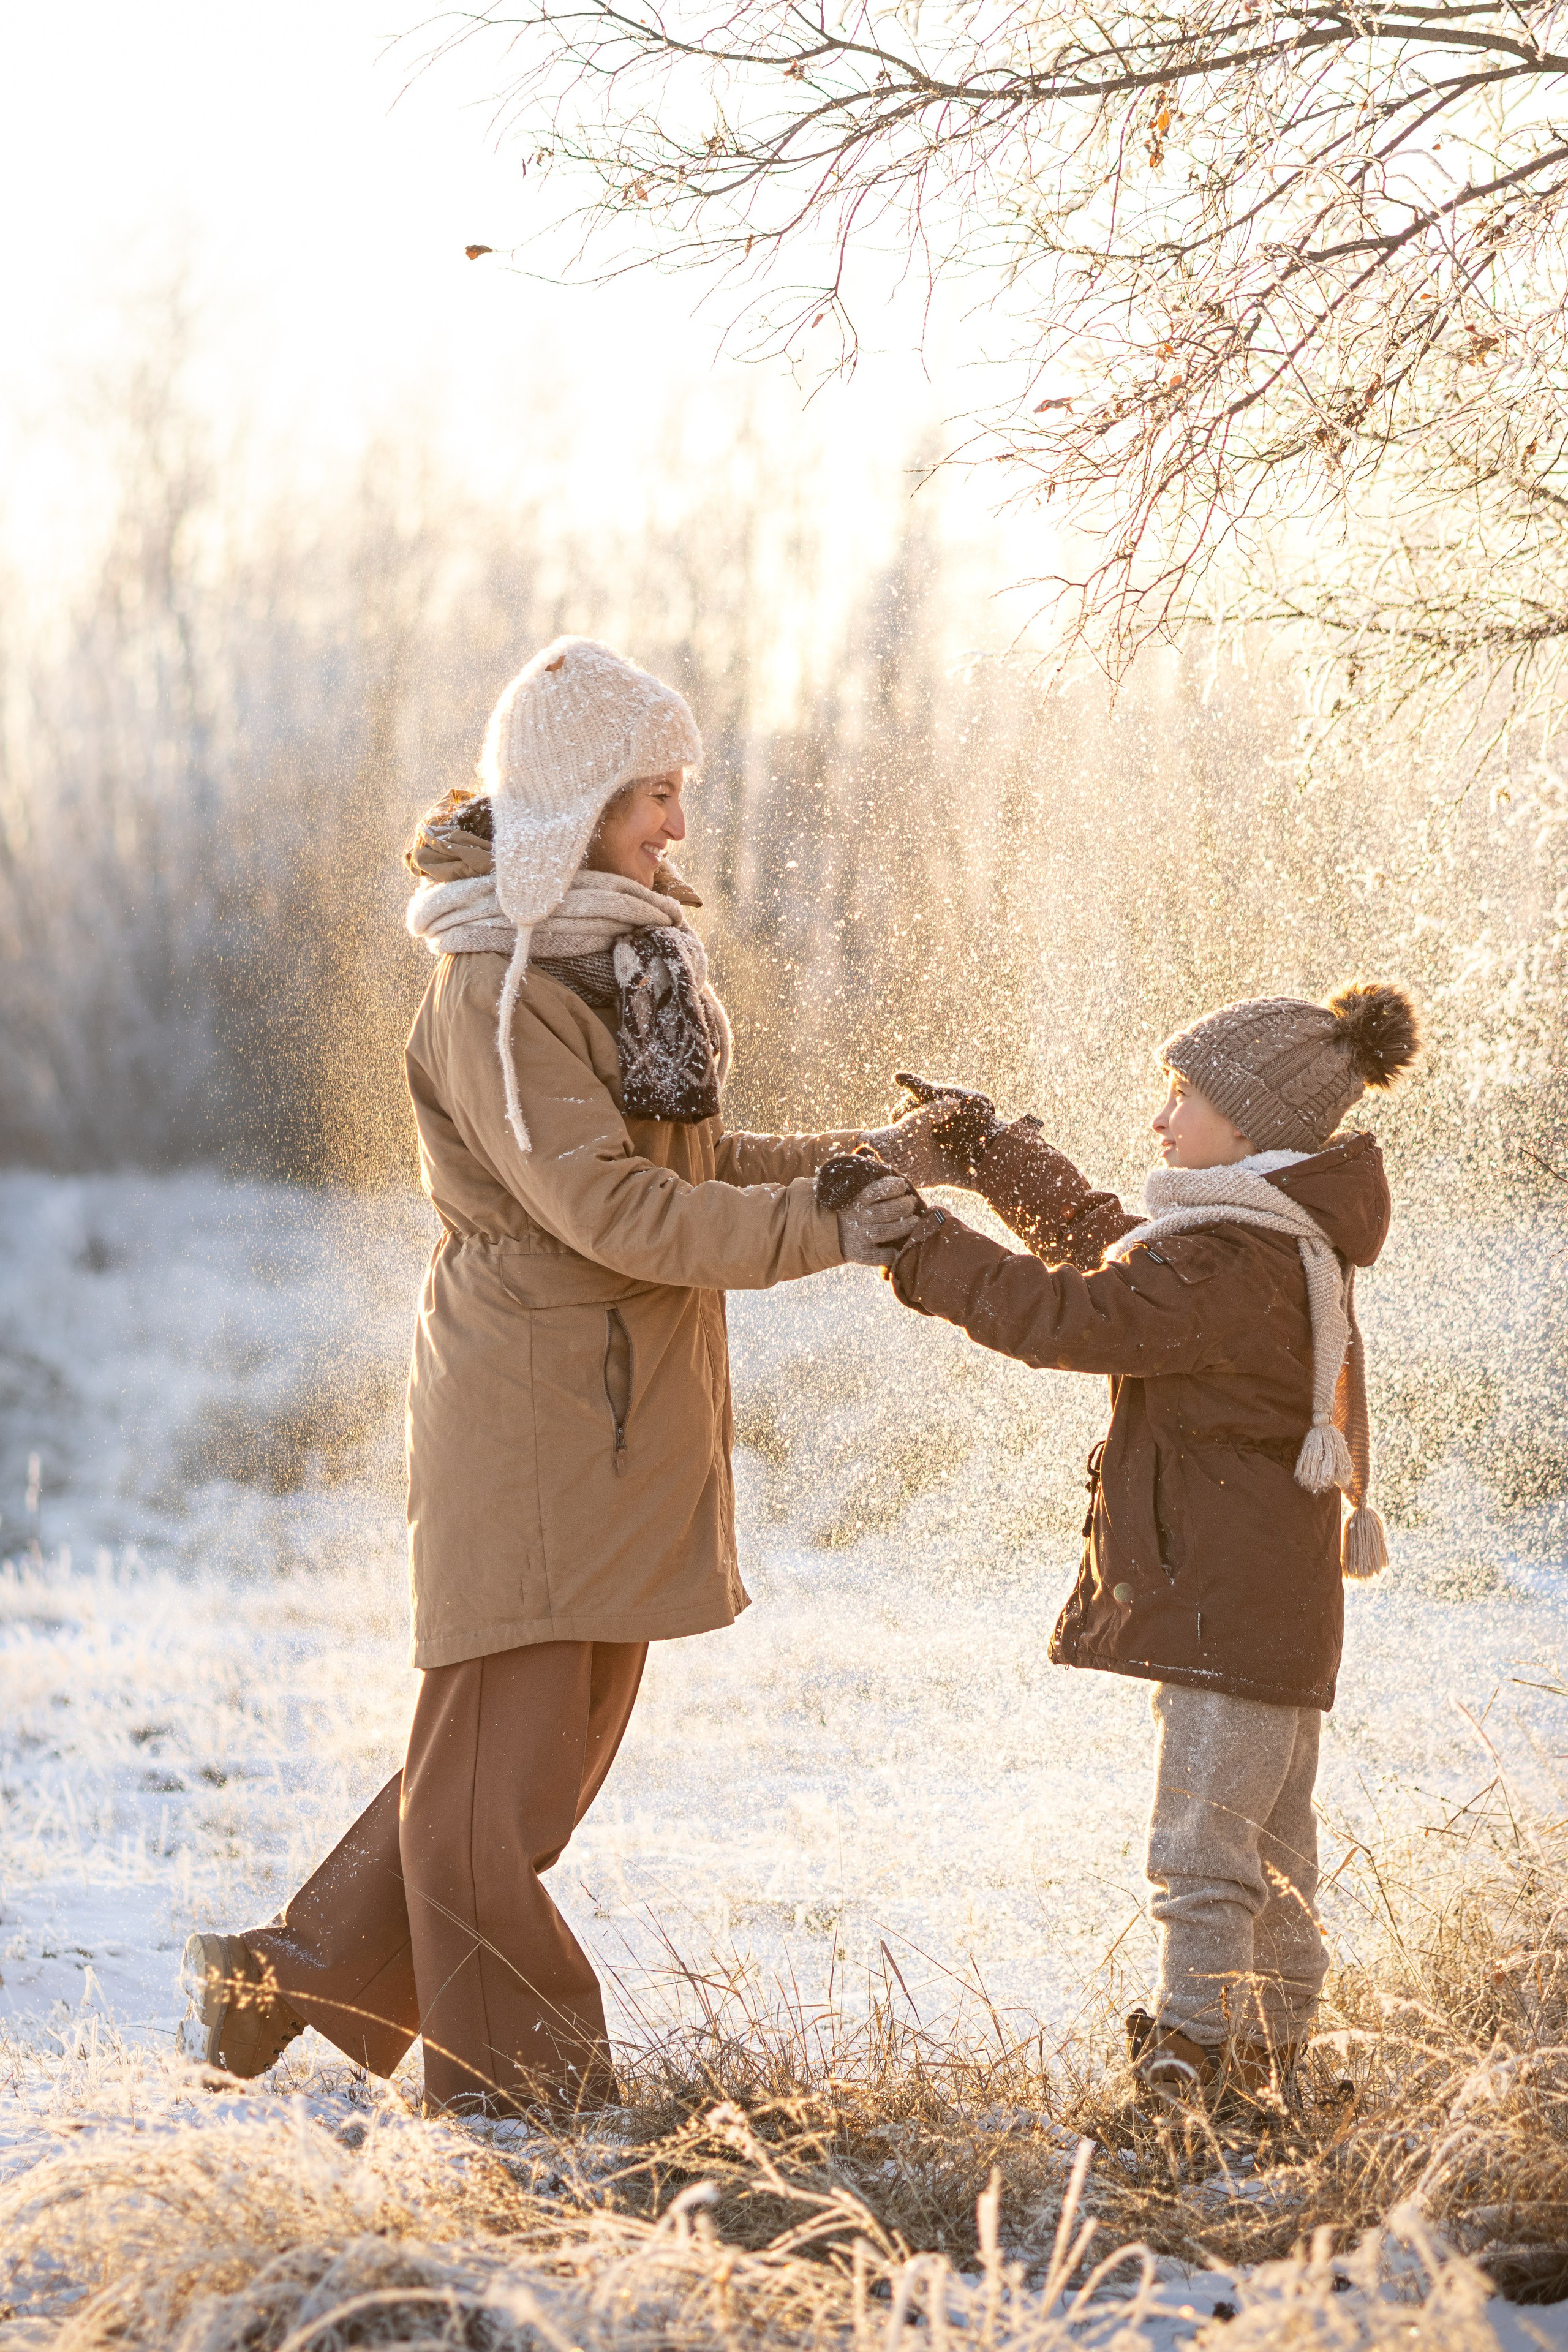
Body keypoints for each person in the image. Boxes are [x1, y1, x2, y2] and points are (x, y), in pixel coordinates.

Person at [178, 636, 925, 2115]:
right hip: (533, 1415)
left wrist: (878, 1164)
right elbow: (614, 1211)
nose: (677, 826)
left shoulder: (621, 962)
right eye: (654, 792)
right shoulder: (500, 988)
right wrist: (825, 1230)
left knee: (534, 1776)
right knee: (487, 1799)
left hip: (616, 1415)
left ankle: (295, 1970)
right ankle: (517, 2091)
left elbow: (688, 1168)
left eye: (677, 791)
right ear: (579, 799)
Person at [861, 986, 1420, 2102]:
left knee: (1206, 1860)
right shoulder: (1257, 1239)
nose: (1162, 1121)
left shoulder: (1233, 1261)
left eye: (1186, 1096)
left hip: (1229, 1615)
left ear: (1251, 1127)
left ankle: (1194, 2079)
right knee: (1270, 1854)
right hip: (1263, 1613)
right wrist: (997, 1158)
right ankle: (1266, 2075)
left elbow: (1078, 1317)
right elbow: (1121, 1255)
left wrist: (921, 1246)